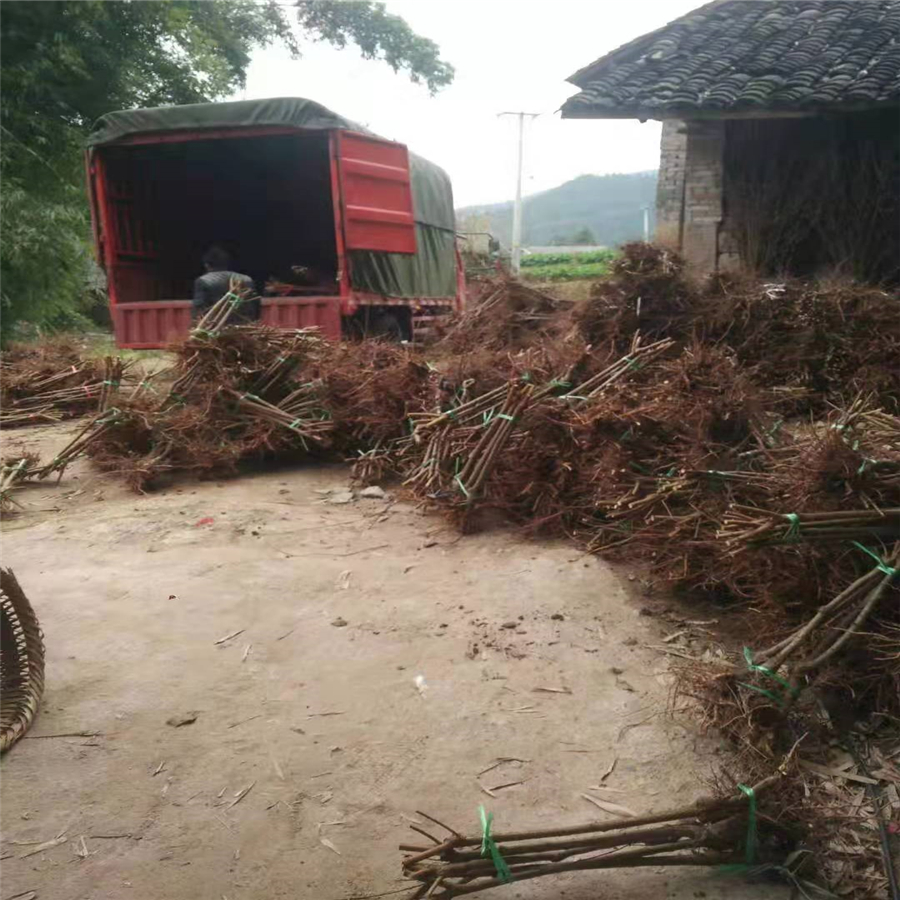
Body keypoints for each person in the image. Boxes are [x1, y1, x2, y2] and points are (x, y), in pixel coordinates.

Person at [192, 246, 257, 321]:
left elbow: (199, 307)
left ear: (206, 265)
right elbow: (254, 304)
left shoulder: (204, 280)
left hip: (215, 325)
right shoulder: (246, 279)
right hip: (245, 324)